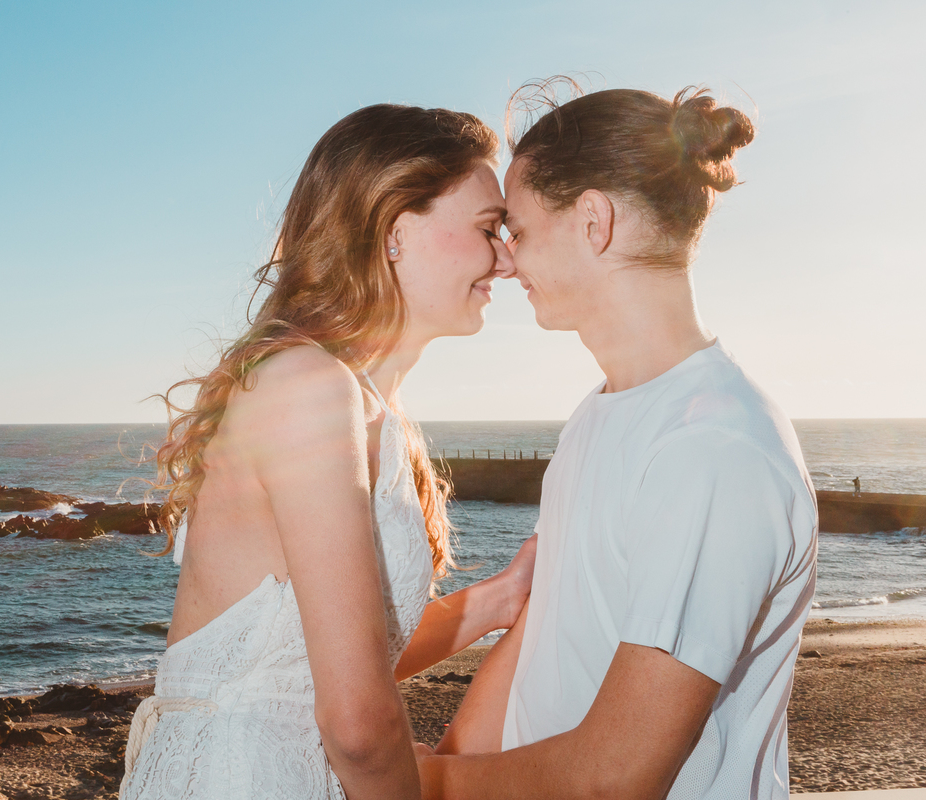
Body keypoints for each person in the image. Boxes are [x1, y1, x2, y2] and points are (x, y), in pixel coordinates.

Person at [119, 104, 537, 800]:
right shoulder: (310, 388)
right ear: (393, 230)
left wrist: (498, 600)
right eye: (488, 228)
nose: (508, 255)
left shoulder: (367, 408)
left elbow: (327, 658)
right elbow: (358, 724)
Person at [416, 83, 819, 799]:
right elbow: (538, 639)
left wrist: (420, 784)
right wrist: (447, 764)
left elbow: (616, 776)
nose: (505, 261)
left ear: (593, 221)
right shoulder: (599, 414)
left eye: (520, 228)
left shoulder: (714, 448)